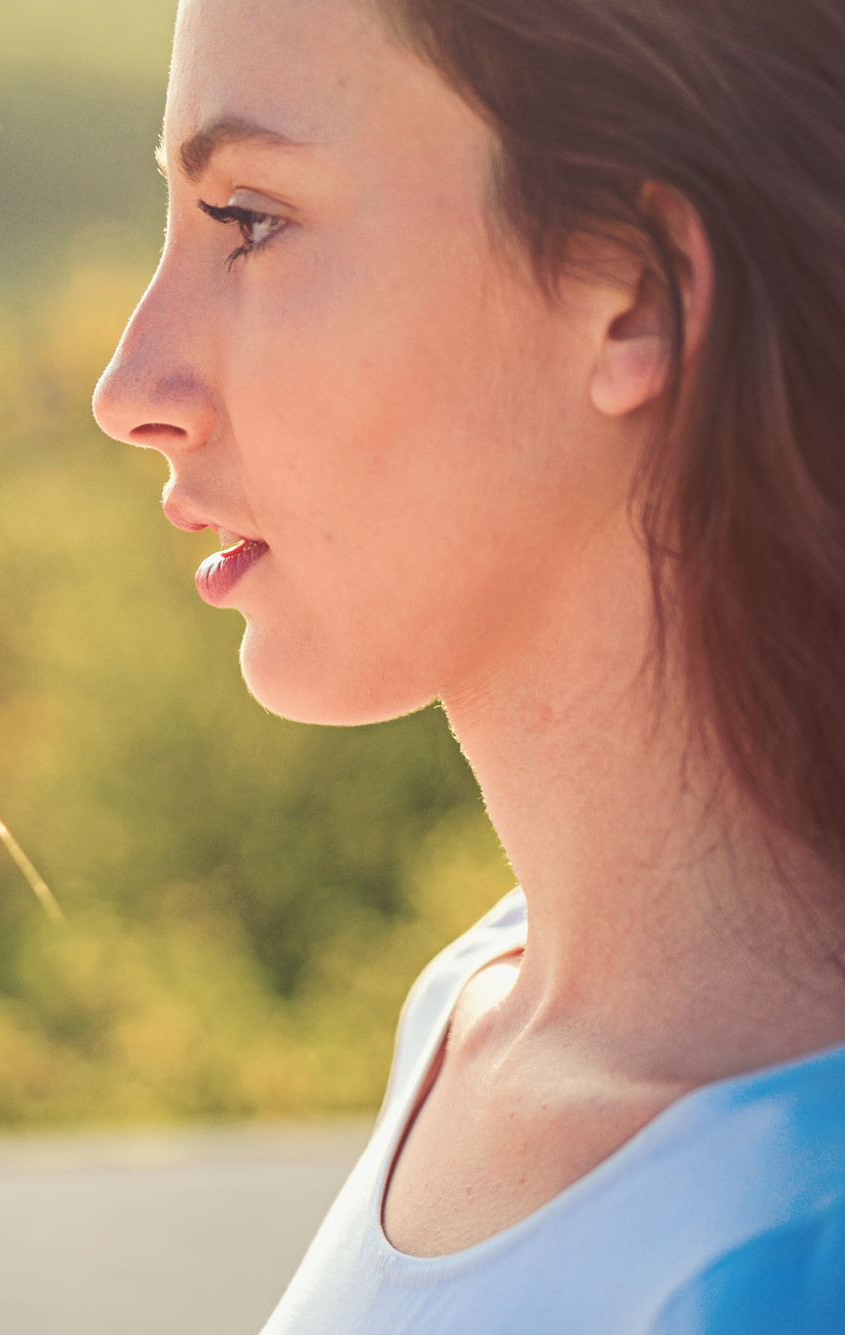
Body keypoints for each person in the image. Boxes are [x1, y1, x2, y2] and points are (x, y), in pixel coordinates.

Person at [94, 0, 845, 1329]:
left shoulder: (789, 1253)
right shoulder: (474, 1010)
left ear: (631, 292)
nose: (131, 383)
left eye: (251, 221)